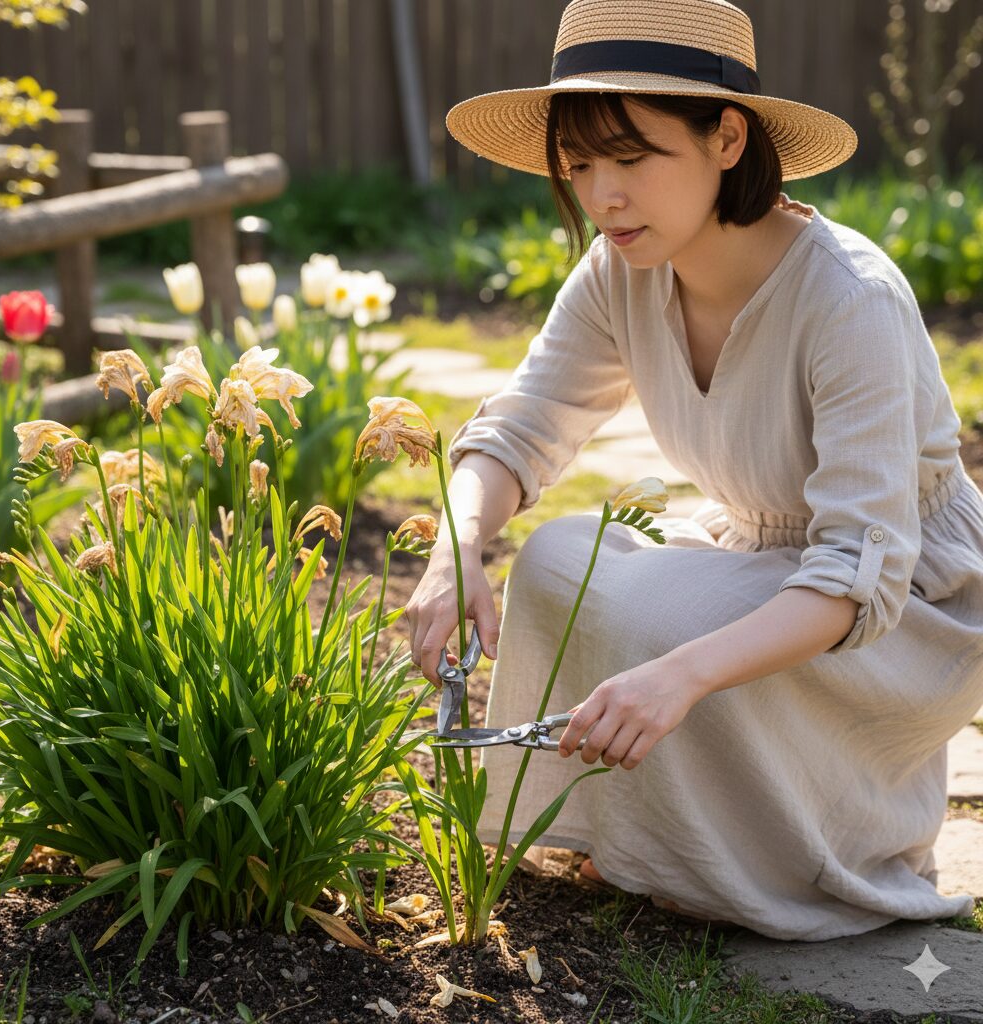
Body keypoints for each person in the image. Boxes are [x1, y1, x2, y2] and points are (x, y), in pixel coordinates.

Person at [403, 0, 983, 940]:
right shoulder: (619, 271)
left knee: (659, 620)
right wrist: (454, 545)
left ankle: (787, 855)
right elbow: (520, 426)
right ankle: (624, 839)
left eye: (632, 158)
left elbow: (852, 578)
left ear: (726, 138)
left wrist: (677, 676)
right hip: (764, 558)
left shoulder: (850, 300)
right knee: (554, 562)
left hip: (907, 605)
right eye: (580, 165)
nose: (603, 197)